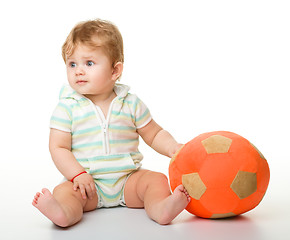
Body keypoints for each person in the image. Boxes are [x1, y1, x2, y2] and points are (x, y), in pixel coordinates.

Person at [32, 19, 190, 227]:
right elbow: (58, 147)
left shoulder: (130, 103)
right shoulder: (67, 108)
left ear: (115, 71)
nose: (78, 70)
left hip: (127, 179)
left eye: (88, 63)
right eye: (72, 64)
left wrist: (173, 148)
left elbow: (153, 133)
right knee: (64, 192)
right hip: (87, 185)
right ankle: (63, 213)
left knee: (156, 180)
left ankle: (162, 208)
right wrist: (77, 174)